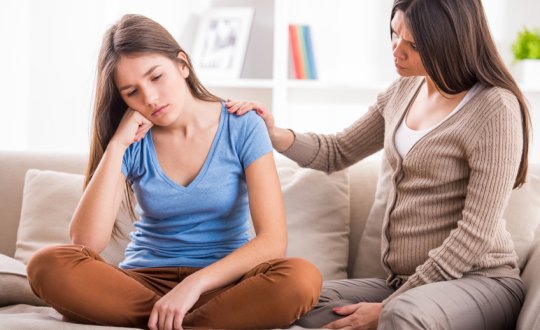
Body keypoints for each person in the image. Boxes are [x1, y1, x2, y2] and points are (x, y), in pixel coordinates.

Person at [227, 0, 531, 328]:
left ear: (451, 43)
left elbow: (475, 234)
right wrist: (273, 133)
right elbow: (337, 150)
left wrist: (388, 306)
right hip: (403, 283)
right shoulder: (402, 92)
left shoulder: (495, 109)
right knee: (299, 298)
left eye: (413, 45)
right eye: (394, 34)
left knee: (402, 314)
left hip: (480, 282)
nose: (397, 50)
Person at [26, 14, 322, 330]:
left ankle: (168, 320)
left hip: (223, 285)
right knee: (46, 264)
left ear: (182, 64)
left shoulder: (242, 125)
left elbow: (273, 241)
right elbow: (86, 242)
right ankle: (181, 321)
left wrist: (191, 286)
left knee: (302, 278)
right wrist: (116, 146)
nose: (149, 99)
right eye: (132, 92)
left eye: (156, 77)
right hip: (140, 283)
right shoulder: (132, 139)